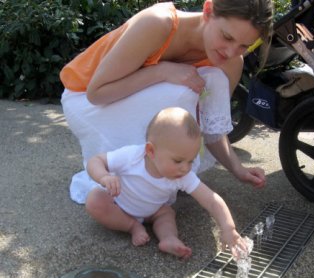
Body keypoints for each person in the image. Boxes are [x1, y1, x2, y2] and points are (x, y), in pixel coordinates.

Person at [60, 0, 274, 204]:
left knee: (209, 80)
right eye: (227, 37)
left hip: (121, 100)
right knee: (182, 91)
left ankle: (156, 176)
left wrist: (238, 169)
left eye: (243, 45)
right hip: (85, 100)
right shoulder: (158, 22)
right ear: (208, 10)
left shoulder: (231, 63)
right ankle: (134, 180)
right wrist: (162, 71)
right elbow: (96, 93)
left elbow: (211, 125)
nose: (230, 51)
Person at [86, 107, 248, 259]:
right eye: (178, 161)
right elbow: (96, 160)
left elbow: (212, 200)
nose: (185, 168)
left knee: (166, 214)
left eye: (191, 161)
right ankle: (131, 226)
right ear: (151, 151)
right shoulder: (132, 156)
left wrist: (229, 228)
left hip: (153, 211)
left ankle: (169, 238)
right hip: (119, 205)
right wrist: (104, 176)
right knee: (95, 200)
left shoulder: (182, 176)